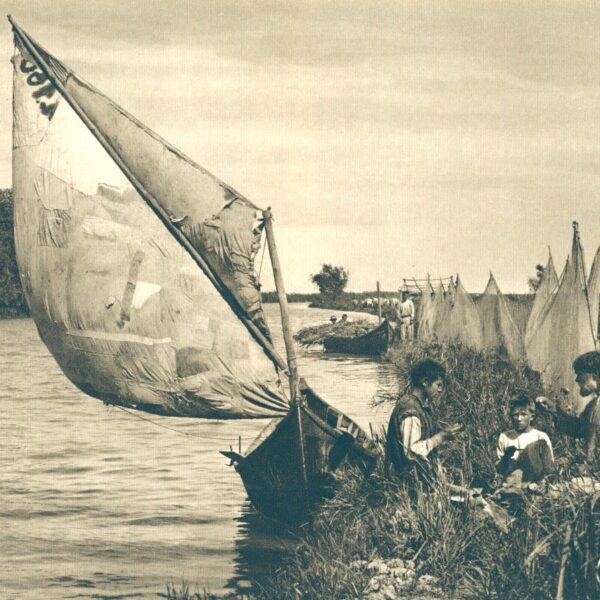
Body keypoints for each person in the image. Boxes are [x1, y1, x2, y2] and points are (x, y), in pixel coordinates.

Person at [385, 359, 462, 484]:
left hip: (414, 478)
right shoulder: (410, 411)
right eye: (438, 385)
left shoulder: (416, 406)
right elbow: (411, 453)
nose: (440, 390)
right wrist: (440, 437)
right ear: (425, 382)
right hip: (403, 482)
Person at [537, 351, 600, 468]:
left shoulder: (597, 406)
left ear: (595, 375)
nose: (576, 380)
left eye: (580, 374)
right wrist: (554, 410)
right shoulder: (593, 406)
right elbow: (579, 428)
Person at [496, 394, 554, 489]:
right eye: (515, 415)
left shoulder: (540, 437)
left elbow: (550, 468)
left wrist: (539, 485)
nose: (519, 419)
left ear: (532, 417)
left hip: (534, 488)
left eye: (523, 414)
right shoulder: (505, 437)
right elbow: (500, 470)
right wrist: (506, 457)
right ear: (511, 416)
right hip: (510, 488)